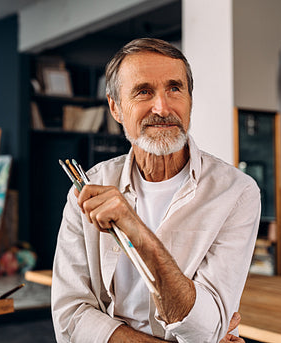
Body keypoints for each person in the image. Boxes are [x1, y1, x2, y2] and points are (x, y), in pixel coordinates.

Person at [51, 38, 260, 342]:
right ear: (116, 107)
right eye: (143, 92)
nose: (162, 108)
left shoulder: (236, 193)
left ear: (190, 99)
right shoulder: (87, 190)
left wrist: (136, 230)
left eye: (175, 89)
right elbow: (70, 319)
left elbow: (205, 328)